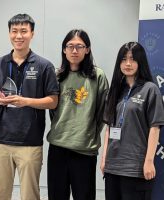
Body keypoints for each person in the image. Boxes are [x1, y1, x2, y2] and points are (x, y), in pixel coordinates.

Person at [0, 13, 59, 200]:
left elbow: (53, 100)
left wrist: (27, 101)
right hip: (0, 140)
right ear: (9, 33)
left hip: (30, 141)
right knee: (0, 194)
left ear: (32, 34)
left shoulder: (44, 66)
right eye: (14, 31)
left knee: (29, 195)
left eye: (23, 31)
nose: (18, 36)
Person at [47, 29, 109, 200]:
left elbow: (103, 110)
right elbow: (53, 110)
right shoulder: (57, 76)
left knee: (84, 196)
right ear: (64, 49)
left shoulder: (98, 76)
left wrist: (88, 131)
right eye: (70, 46)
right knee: (56, 195)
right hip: (58, 146)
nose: (74, 51)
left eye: (79, 46)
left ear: (87, 49)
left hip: (84, 149)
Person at [100, 42, 164, 200]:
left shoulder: (150, 89)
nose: (128, 63)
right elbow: (109, 127)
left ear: (140, 61)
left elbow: (155, 128)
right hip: (113, 168)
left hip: (136, 169)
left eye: (132, 59)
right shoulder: (115, 90)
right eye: (123, 59)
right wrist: (104, 159)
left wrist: (149, 161)